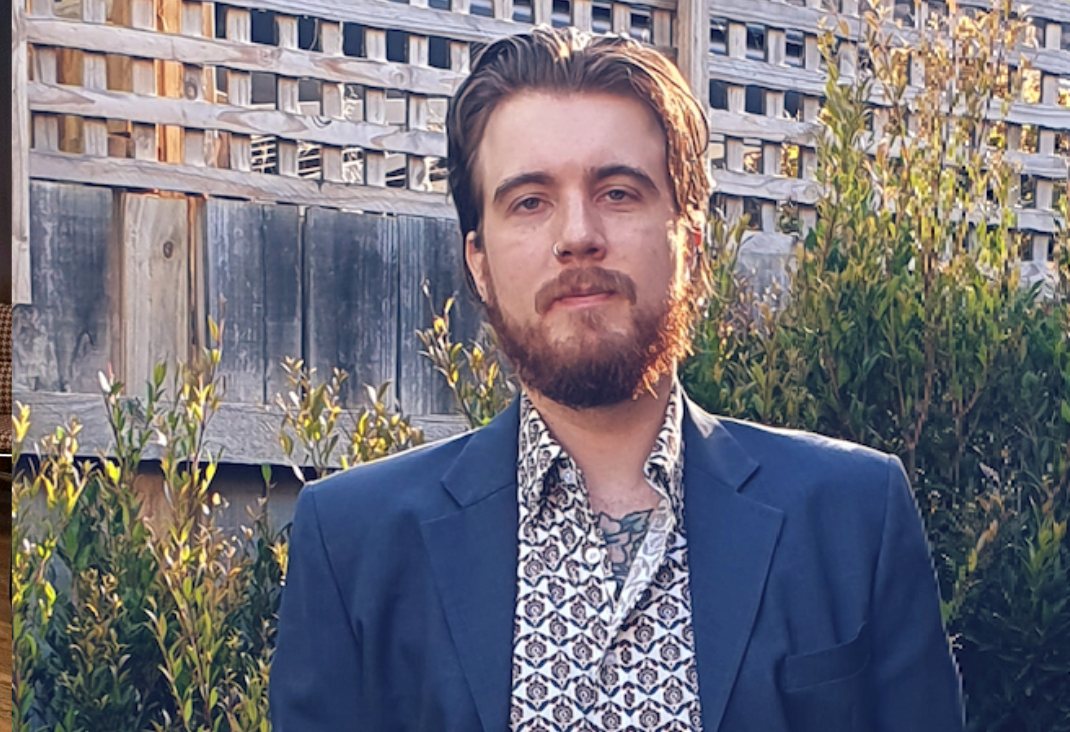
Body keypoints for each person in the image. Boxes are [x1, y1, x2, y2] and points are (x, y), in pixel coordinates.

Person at [269, 26, 965, 732]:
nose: (578, 234)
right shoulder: (354, 544)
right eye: (530, 201)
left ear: (691, 244)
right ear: (479, 263)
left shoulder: (853, 518)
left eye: (619, 192)